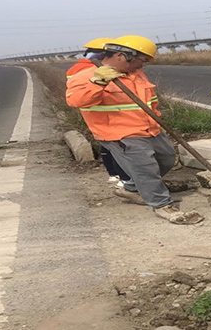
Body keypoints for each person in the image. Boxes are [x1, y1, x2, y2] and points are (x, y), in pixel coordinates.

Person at [66, 35, 203, 225]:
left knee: (166, 158)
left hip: (150, 128)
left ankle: (131, 188)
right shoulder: (86, 76)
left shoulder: (136, 75)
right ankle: (162, 205)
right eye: (141, 60)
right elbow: (76, 101)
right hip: (120, 133)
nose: (143, 65)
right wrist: (98, 82)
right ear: (121, 56)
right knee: (145, 168)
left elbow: (150, 101)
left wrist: (157, 120)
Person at [66, 37, 132, 188]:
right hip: (106, 113)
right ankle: (122, 178)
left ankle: (114, 175)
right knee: (115, 148)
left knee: (108, 146)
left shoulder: (75, 68)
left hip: (94, 112)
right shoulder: (92, 70)